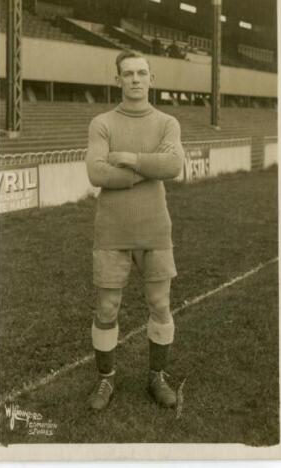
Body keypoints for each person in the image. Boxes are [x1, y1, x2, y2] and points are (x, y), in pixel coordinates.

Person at [86, 50, 185, 411]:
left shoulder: (167, 122)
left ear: (151, 79)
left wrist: (129, 158)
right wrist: (149, 168)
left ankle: (157, 376)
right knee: (107, 308)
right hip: (111, 231)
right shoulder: (102, 123)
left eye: (142, 73)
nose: (135, 79)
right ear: (118, 80)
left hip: (156, 230)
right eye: (128, 74)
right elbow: (96, 173)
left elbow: (174, 165)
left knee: (160, 304)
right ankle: (105, 380)